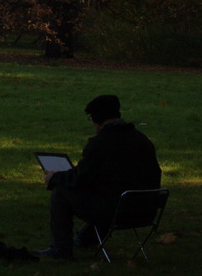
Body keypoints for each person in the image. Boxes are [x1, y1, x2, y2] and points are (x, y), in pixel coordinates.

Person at [35, 95, 161, 260]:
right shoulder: (141, 140)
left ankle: (60, 248)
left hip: (116, 212)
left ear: (95, 119)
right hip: (145, 210)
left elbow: (82, 177)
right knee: (107, 195)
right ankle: (86, 238)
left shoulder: (101, 142)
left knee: (61, 192)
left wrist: (56, 177)